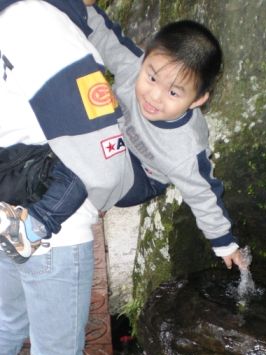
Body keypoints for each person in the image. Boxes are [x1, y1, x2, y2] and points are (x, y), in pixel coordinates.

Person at [0, 4, 245, 270]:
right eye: (151, 78)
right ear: (145, 60)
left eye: (173, 93)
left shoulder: (185, 149)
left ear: (198, 99)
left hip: (139, 175)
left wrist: (224, 243)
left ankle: (35, 227)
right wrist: (83, 10)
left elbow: (203, 193)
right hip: (111, 135)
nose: (154, 96)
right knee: (61, 140)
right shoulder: (133, 65)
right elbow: (106, 37)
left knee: (83, 168)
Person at [0, 1, 134, 355]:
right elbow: (103, 161)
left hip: (5, 210)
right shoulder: (42, 22)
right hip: (51, 227)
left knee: (5, 325)